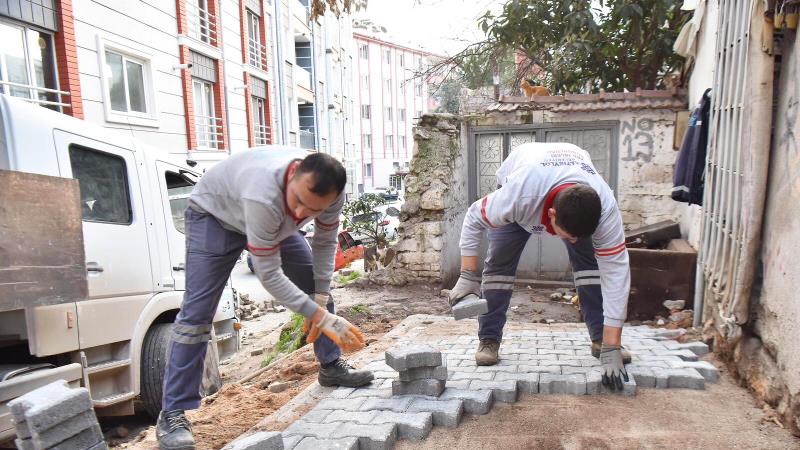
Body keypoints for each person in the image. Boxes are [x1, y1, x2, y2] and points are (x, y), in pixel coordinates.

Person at [157, 148, 373, 450]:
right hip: (215, 217)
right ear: (292, 177)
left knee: (316, 287)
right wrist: (322, 318)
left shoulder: (330, 194)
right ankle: (173, 413)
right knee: (197, 315)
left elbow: (324, 244)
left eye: (310, 211)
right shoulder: (263, 193)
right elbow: (267, 274)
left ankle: (330, 365)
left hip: (271, 220)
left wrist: (320, 300)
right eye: (298, 202)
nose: (300, 215)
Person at [448, 142, 631, 391]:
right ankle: (489, 340)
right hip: (527, 185)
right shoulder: (517, 196)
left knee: (592, 270)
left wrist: (613, 344)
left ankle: (602, 340)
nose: (572, 242)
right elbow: (473, 216)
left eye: (578, 236)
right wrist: (468, 274)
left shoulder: (605, 208)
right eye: (567, 235)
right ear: (552, 215)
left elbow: (617, 275)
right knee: (498, 269)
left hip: (564, 180)